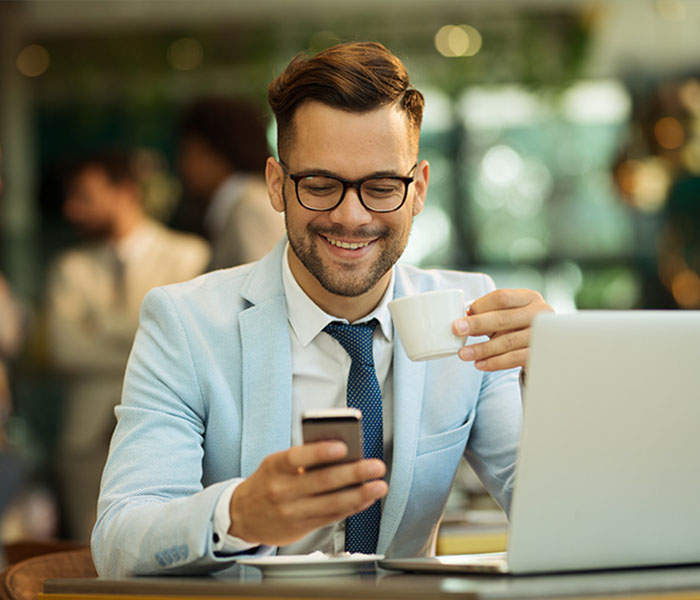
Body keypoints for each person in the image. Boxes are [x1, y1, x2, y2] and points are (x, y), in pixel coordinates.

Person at [92, 42, 551, 577]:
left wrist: (559, 381)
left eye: (381, 187)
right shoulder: (186, 323)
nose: (351, 217)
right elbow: (119, 542)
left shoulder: (469, 318)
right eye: (320, 185)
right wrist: (236, 515)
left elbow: (563, 516)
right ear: (276, 185)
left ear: (419, 189)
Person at [46, 151, 211, 542]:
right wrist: (145, 330)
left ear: (125, 192)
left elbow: (188, 342)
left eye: (84, 196)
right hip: (84, 439)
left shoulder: (189, 255)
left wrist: (99, 327)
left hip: (169, 429)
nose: (72, 209)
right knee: (81, 555)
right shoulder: (69, 267)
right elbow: (63, 348)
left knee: (156, 548)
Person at [177, 97, 286, 270]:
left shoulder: (250, 208)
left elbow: (264, 287)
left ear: (216, 153)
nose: (184, 164)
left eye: (191, 151)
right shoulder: (240, 204)